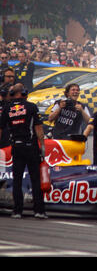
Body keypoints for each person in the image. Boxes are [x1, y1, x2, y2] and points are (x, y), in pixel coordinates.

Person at [0, 83, 46, 219]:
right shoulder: (31, 107)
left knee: (17, 180)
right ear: (24, 93)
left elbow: (1, 129)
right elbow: (39, 129)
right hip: (30, 146)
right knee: (35, 179)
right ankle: (39, 211)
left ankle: (17, 211)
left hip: (16, 147)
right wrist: (42, 147)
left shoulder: (7, 108)